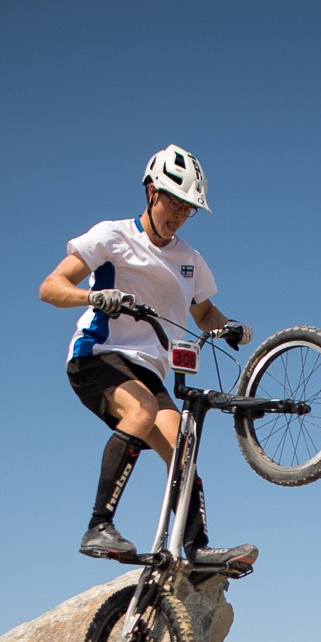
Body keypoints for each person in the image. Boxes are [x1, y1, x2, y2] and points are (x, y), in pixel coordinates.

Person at [37, 145, 257, 574]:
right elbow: (50, 287)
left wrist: (228, 325)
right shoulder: (112, 235)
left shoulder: (189, 259)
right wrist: (94, 295)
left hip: (151, 368)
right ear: (152, 192)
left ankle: (195, 549)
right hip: (99, 357)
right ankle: (99, 526)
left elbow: (204, 312)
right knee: (139, 411)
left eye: (188, 209)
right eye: (174, 203)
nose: (179, 215)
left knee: (184, 448)